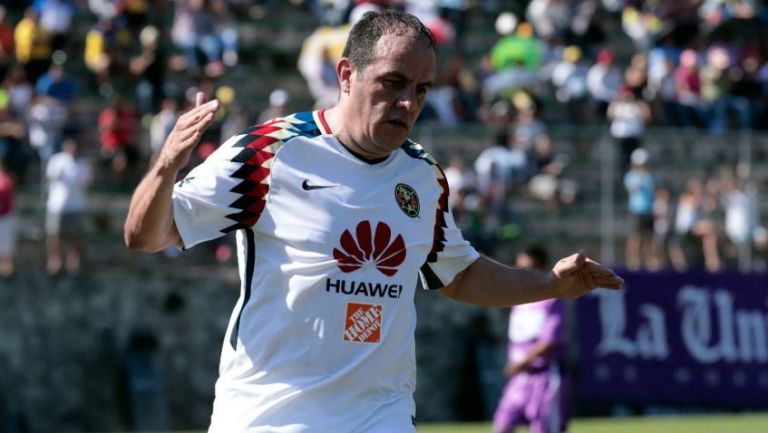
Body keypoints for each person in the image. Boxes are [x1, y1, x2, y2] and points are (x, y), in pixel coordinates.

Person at [124, 10, 622, 433]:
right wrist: (166, 167)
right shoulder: (270, 152)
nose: (409, 103)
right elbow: (146, 236)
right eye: (393, 83)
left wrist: (550, 285)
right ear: (346, 75)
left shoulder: (423, 177)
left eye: (422, 90)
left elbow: (459, 273)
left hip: (378, 416)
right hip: (269, 417)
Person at [493, 245, 569, 433]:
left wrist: (522, 362)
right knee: (501, 427)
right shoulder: (518, 300)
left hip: (544, 377)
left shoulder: (551, 300)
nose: (522, 275)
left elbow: (550, 341)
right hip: (519, 379)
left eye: (528, 269)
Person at [46, 138, 93, 275]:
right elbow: (50, 176)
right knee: (54, 233)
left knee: (76, 234)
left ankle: (74, 260)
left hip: (77, 206)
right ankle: (54, 259)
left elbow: (88, 181)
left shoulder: (83, 163)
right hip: (57, 205)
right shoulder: (57, 160)